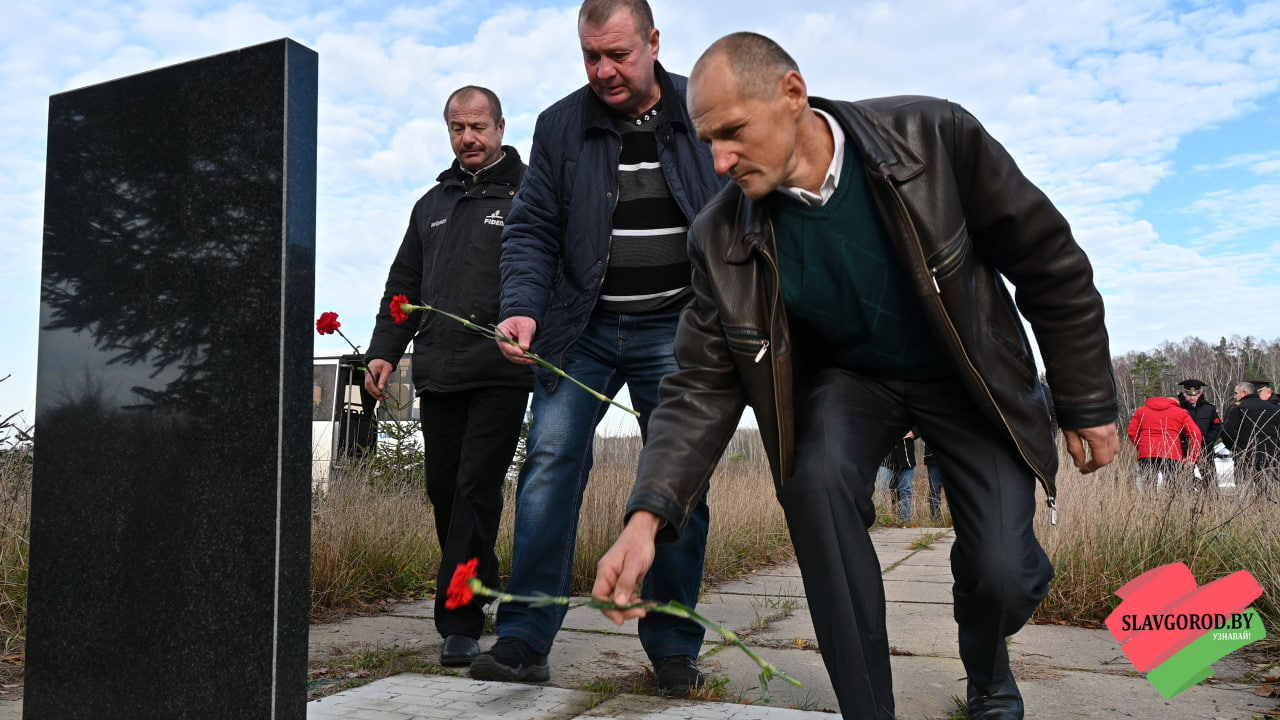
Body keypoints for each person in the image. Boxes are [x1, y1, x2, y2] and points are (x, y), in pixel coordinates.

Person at [592, 32, 1120, 720]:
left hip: (964, 374)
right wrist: (646, 517)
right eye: (707, 141)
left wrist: (1085, 399)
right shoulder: (719, 238)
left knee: (1003, 574)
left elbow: (1049, 261)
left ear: (792, 93)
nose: (718, 161)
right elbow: (698, 387)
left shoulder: (934, 137)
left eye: (733, 133)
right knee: (812, 483)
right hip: (852, 383)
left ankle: (989, 670)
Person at [472, 0, 724, 695]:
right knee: (549, 465)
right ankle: (524, 638)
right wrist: (521, 308)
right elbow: (531, 230)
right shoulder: (560, 125)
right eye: (591, 56)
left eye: (618, 54)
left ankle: (673, 647)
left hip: (678, 326)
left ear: (654, 42)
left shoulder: (702, 108)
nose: (604, 70)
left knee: (680, 480)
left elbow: (742, 209)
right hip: (578, 327)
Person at [362, 86, 532, 668]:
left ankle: (459, 618)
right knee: (443, 490)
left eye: (478, 126)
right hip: (438, 369)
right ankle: (483, 583)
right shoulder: (429, 205)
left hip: (501, 370)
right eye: (458, 128)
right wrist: (384, 351)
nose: (469, 138)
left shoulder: (529, 192)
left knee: (474, 490)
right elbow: (403, 284)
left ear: (501, 127)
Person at [1126, 395, 1202, 492]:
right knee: (1172, 487)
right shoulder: (1180, 412)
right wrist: (1192, 457)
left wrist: (1141, 447)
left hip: (1147, 453)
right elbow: (1196, 434)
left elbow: (1132, 432)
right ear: (1176, 402)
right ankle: (1171, 501)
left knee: (1148, 487)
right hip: (1172, 453)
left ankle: (1149, 501)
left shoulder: (1141, 411)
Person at [1222, 381, 1280, 498]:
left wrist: (1235, 449)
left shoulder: (1237, 408)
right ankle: (1266, 508)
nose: (1235, 397)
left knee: (1243, 494)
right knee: (1267, 492)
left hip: (1245, 457)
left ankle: (1244, 509)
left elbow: (1227, 433)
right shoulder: (1274, 409)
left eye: (1236, 393)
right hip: (1269, 457)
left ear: (1244, 393)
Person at [1176, 378, 1222, 488]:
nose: (1192, 398)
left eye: (1195, 394)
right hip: (1184, 452)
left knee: (1210, 482)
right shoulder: (1177, 408)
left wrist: (1206, 442)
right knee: (1184, 483)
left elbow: (1217, 427)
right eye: (1189, 394)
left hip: (1204, 450)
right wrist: (1182, 444)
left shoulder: (1209, 408)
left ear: (1200, 393)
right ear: (1183, 393)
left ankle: (1211, 499)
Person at [877, 430, 916, 523]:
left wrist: (914, 432)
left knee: (906, 490)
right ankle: (879, 520)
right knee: (880, 489)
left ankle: (905, 520)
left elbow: (921, 424)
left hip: (906, 458)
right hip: (885, 458)